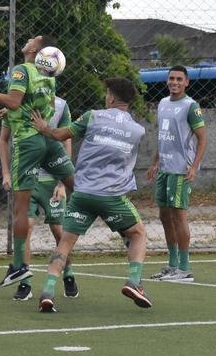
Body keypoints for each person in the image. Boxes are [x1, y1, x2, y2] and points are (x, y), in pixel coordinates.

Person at [30, 77, 150, 313]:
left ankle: (47, 292)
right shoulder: (138, 130)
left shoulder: (92, 116)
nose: (106, 96)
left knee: (64, 244)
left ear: (112, 98)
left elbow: (61, 135)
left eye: (107, 93)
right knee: (137, 234)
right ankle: (134, 282)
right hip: (112, 197)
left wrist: (44, 128)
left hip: (82, 193)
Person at [0, 34, 75, 288]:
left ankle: (19, 267)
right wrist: (12, 110)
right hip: (47, 139)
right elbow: (44, 105)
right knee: (76, 186)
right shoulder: (48, 75)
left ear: (37, 49)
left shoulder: (21, 70)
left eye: (33, 39)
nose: (28, 40)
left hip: (28, 143)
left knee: (20, 208)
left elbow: (15, 100)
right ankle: (116, 224)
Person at [0, 96, 78, 302]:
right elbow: (3, 139)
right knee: (27, 226)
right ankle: (25, 282)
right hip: (26, 178)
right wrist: (6, 173)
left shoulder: (61, 105)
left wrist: (62, 182)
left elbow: (65, 139)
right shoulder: (14, 104)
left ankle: (68, 273)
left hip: (51, 180)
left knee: (59, 231)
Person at [146, 65, 208, 282]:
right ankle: (172, 265)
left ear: (187, 82)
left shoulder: (191, 106)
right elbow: (163, 137)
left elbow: (202, 138)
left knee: (178, 215)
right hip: (164, 168)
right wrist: (155, 163)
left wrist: (194, 166)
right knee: (165, 216)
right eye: (171, 78)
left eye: (179, 79)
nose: (174, 82)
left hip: (180, 170)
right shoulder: (163, 103)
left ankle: (184, 268)